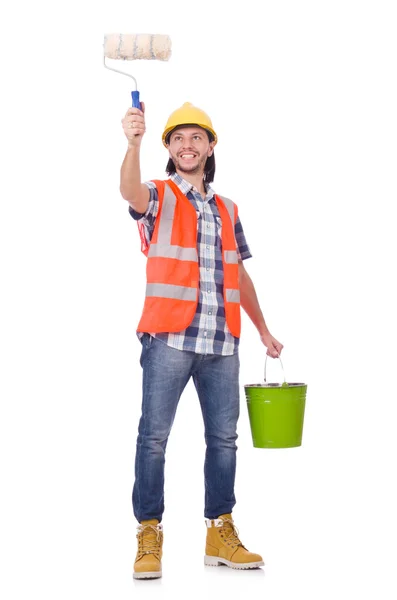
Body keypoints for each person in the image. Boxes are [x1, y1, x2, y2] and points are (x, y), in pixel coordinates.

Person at [120, 101, 283, 580]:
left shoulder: (228, 209)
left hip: (222, 344)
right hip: (169, 338)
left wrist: (262, 329)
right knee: (153, 439)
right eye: (177, 139)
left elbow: (240, 277)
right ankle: (149, 531)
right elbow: (128, 191)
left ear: (211, 147)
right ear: (168, 149)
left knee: (224, 441)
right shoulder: (158, 194)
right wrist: (132, 145)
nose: (187, 146)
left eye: (196, 138)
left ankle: (220, 530)